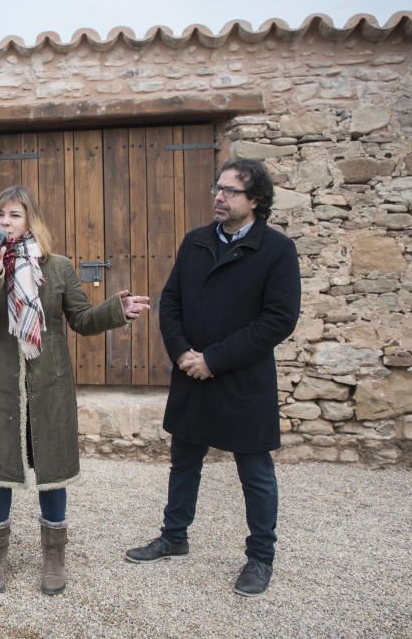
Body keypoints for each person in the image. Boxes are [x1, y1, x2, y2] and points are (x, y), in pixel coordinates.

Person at [0, 185, 150, 595]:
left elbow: (80, 317)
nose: (6, 222)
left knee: (53, 470)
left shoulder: (57, 268)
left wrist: (117, 309)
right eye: (1, 215)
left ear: (31, 222)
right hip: (0, 388)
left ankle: (54, 556)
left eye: (16, 215)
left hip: (49, 386)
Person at [124, 158, 301, 597]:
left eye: (230, 191)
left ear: (255, 199)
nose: (219, 197)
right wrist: (183, 353)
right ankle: (174, 536)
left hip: (242, 381)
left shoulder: (277, 250)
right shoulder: (196, 242)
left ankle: (261, 557)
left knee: (255, 473)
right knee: (184, 462)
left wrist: (214, 359)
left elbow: (278, 320)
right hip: (191, 375)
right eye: (216, 189)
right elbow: (172, 302)